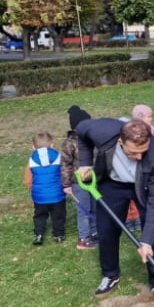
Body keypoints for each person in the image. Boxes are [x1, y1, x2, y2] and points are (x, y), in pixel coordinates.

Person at [76, 118, 154, 296]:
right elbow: (81, 130)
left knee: (153, 230)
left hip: (142, 185)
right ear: (120, 142)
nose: (138, 157)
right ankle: (110, 275)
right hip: (112, 183)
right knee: (106, 229)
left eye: (142, 152)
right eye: (133, 153)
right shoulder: (102, 132)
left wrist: (145, 242)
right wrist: (85, 164)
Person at [61, 105, 98, 250]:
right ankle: (84, 238)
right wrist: (66, 184)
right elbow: (65, 164)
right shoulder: (70, 142)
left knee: (96, 207)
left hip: (95, 180)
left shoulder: (94, 138)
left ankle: (95, 233)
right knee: (84, 210)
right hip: (79, 183)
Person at [25, 132, 67, 245]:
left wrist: (32, 189)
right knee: (58, 215)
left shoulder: (31, 161)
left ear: (33, 147)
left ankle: (39, 234)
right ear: (52, 145)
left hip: (40, 196)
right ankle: (59, 234)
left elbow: (28, 179)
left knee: (39, 216)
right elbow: (64, 174)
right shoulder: (59, 157)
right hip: (57, 195)